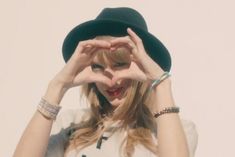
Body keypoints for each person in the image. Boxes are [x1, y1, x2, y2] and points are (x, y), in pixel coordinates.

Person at [13, 7, 198, 157]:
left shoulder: (174, 129)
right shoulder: (70, 125)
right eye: (98, 67)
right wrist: (57, 86)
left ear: (143, 65)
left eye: (120, 64)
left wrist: (161, 83)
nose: (111, 79)